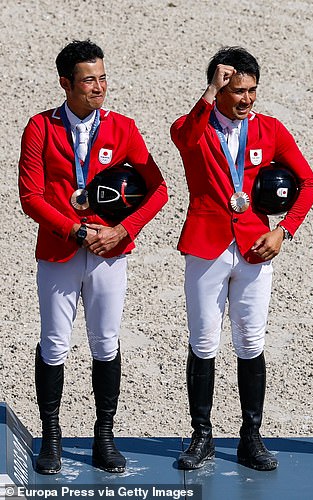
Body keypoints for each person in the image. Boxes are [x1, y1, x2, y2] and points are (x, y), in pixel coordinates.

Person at [18, 39, 168, 475]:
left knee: (105, 343)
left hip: (109, 250)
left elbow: (158, 189)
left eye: (102, 77)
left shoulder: (123, 127)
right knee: (54, 343)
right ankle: (52, 437)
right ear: (66, 83)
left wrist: (123, 229)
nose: (99, 86)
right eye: (89, 80)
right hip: (60, 250)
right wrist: (75, 230)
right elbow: (30, 197)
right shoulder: (40, 127)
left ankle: (105, 435)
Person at [170, 46, 313, 472]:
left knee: (250, 342)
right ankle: (202, 436)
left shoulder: (269, 129)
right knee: (203, 342)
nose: (247, 100)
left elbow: (308, 183)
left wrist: (284, 230)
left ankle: (250, 438)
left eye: (252, 91)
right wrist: (208, 90)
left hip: (255, 245)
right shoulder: (193, 127)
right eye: (237, 91)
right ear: (218, 90)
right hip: (206, 244)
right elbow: (184, 140)